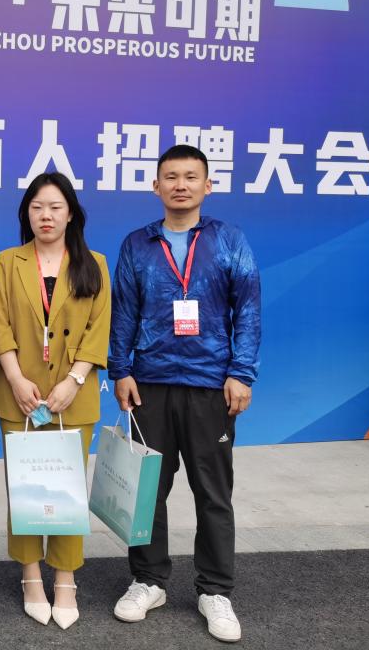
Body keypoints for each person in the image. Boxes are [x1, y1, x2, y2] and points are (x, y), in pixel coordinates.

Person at [108, 144, 260, 643]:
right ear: (156, 186)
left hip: (210, 384)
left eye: (191, 177)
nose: (180, 185)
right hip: (149, 383)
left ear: (207, 185)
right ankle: (147, 580)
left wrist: (241, 373)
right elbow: (124, 311)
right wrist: (120, 369)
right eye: (170, 177)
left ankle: (215, 590)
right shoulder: (137, 243)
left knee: (213, 493)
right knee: (147, 490)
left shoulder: (229, 240)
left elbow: (248, 309)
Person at [0, 172, 111, 629]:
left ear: (71, 213)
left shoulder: (94, 263)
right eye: (37, 207)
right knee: (24, 487)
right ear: (27, 214)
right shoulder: (9, 261)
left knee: (65, 490)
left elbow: (98, 330)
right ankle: (31, 575)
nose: (46, 215)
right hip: (19, 395)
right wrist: (17, 379)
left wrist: (74, 381)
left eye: (55, 207)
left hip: (71, 396)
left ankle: (65, 578)